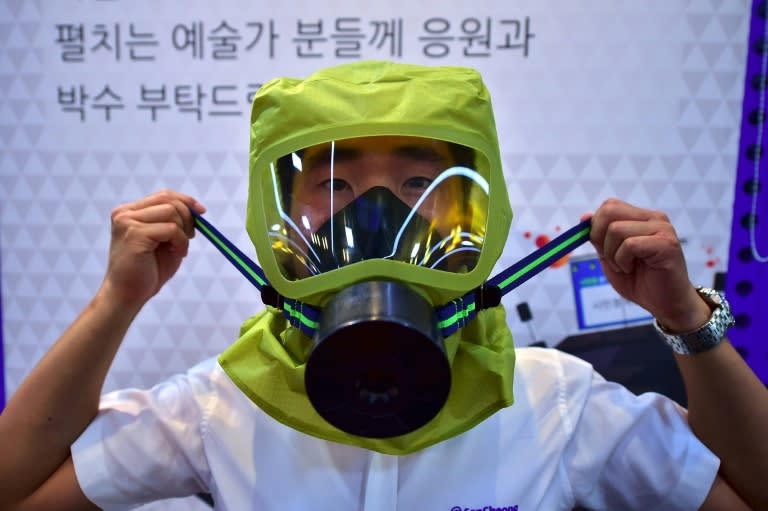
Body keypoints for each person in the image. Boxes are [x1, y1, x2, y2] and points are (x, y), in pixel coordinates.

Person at [1, 61, 767, 511]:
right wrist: (117, 300)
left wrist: (683, 317)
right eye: (332, 181)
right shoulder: (223, 405)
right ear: (281, 209)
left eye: (416, 179)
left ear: (476, 201)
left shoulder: (558, 404)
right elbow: (15, 488)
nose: (377, 212)